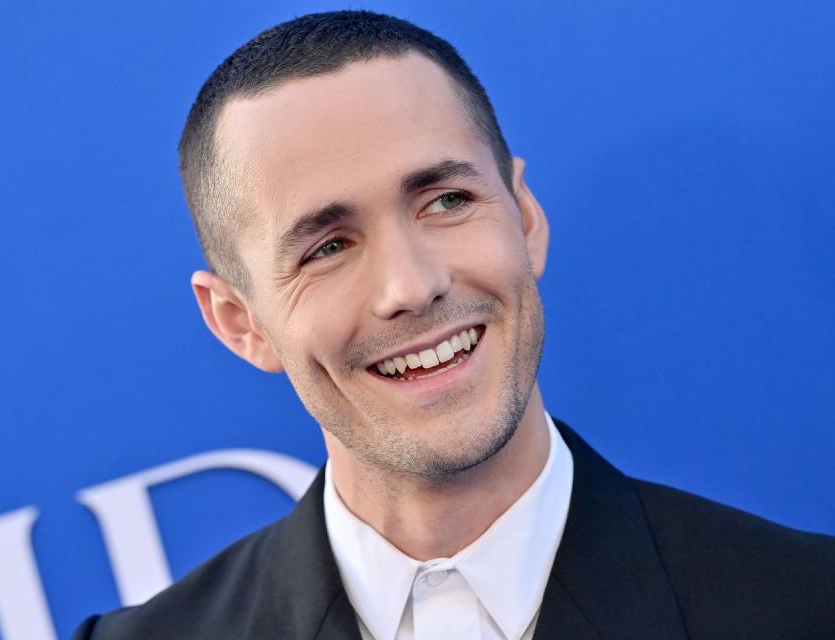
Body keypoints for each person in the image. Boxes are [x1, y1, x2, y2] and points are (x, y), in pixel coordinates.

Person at [73, 10, 835, 640]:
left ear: (526, 217)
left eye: (446, 202)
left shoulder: (804, 607)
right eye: (328, 246)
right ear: (241, 324)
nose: (411, 285)